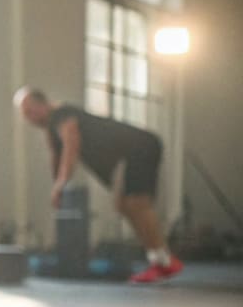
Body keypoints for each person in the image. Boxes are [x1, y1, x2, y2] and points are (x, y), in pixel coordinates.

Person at [14, 87, 182, 284]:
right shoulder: (52, 127)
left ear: (41, 105)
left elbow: (71, 145)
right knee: (123, 205)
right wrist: (56, 186)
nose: (27, 118)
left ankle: (165, 262)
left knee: (137, 204)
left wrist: (60, 184)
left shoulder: (62, 115)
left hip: (139, 147)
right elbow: (55, 155)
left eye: (28, 111)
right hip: (132, 153)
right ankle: (159, 260)